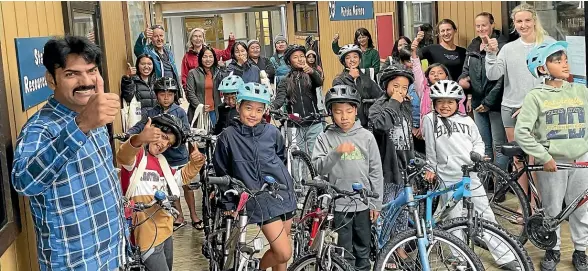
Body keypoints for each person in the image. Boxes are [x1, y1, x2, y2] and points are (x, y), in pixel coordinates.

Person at [11, 36, 125, 270]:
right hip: (74, 264)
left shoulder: (96, 115)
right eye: (71, 74)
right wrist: (80, 126)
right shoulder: (41, 127)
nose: (86, 81)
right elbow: (23, 182)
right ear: (51, 80)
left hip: (112, 255)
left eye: (91, 71)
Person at [422, 80, 518, 269]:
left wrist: (478, 155)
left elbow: (478, 142)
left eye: (450, 102)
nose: (445, 105)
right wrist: (431, 168)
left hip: (470, 176)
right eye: (440, 101)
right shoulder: (429, 120)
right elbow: (430, 149)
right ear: (434, 102)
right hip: (447, 177)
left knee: (485, 214)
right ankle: (459, 258)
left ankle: (504, 256)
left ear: (457, 102)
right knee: (454, 219)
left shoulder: (467, 120)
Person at [515, 41, 588, 271]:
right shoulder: (536, 96)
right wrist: (543, 156)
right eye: (557, 60)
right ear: (542, 68)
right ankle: (552, 249)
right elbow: (522, 132)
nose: (564, 63)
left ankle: (581, 250)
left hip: (582, 160)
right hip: (553, 162)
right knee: (552, 208)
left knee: (582, 208)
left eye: (565, 59)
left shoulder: (580, 90)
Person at [213, 82, 297, 271]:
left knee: (280, 255)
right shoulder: (228, 136)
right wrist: (228, 203)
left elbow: (281, 159)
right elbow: (222, 171)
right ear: (238, 106)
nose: (253, 114)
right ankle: (259, 268)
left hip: (282, 192)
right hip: (257, 197)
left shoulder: (272, 132)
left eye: (259, 110)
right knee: (283, 252)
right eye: (248, 108)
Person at [485, 3, 555, 209]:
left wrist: (531, 104)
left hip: (539, 108)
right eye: (519, 21)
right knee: (519, 159)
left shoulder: (548, 44)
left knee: (536, 158)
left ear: (534, 20)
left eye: (527, 20)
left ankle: (538, 204)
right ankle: (524, 203)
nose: (523, 25)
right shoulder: (508, 48)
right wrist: (491, 54)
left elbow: (553, 78)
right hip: (510, 108)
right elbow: (493, 74)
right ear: (514, 24)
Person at [117, 114, 205, 271]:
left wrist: (196, 163)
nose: (164, 144)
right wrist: (140, 138)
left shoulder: (162, 161)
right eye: (163, 137)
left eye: (169, 143)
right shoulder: (137, 158)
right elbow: (123, 155)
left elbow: (179, 178)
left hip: (165, 230)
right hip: (145, 233)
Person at [312, 85, 383, 271]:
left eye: (349, 111)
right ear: (331, 113)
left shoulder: (366, 136)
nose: (344, 117)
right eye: (338, 112)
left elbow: (375, 171)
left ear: (356, 111)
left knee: (363, 250)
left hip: (363, 204)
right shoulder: (325, 137)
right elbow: (318, 167)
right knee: (344, 251)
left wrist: (376, 203)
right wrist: (336, 153)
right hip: (339, 205)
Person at [125, 77, 192, 229]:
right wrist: (130, 133)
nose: (166, 97)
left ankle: (193, 215)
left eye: (170, 94)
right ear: (156, 95)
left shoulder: (180, 112)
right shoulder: (151, 113)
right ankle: (178, 215)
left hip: (179, 155)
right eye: (162, 94)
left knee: (187, 185)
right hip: (163, 158)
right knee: (169, 187)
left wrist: (184, 135)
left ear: (175, 95)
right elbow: (139, 126)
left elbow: (186, 129)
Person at [458, 12, 509, 174]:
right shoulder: (473, 45)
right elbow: (465, 70)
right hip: (477, 103)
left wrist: (488, 102)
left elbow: (502, 78)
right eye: (478, 26)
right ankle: (487, 183)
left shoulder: (502, 45)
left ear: (492, 24)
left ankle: (500, 184)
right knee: (484, 145)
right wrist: (462, 80)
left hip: (495, 103)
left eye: (484, 25)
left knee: (499, 146)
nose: (481, 29)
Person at [270, 45, 324, 159]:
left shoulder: (310, 76)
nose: (300, 59)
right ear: (289, 61)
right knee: (298, 158)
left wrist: (312, 72)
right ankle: (299, 177)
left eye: (302, 56)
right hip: (294, 124)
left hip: (313, 121)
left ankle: (316, 177)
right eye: (295, 57)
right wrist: (272, 107)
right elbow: (279, 99)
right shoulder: (285, 80)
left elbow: (319, 82)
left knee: (316, 156)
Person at [410, 31, 466, 132]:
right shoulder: (424, 89)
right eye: (432, 73)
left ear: (446, 75)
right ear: (427, 77)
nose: (436, 75)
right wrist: (414, 52)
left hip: (451, 131)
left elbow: (461, 112)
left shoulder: (454, 90)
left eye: (440, 73)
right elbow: (417, 71)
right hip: (428, 130)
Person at [332, 44, 382, 129]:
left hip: (365, 125)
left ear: (359, 59)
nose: (352, 60)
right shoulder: (339, 80)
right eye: (348, 58)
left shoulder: (366, 78)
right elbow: (341, 100)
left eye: (355, 57)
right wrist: (350, 78)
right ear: (344, 62)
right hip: (347, 126)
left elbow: (380, 95)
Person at [134, 25, 182, 100]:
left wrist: (178, 93)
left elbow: (174, 72)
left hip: (171, 91)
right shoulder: (147, 51)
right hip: (158, 92)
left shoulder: (168, 51)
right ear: (151, 38)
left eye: (161, 36)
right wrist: (143, 36)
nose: (159, 39)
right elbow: (138, 50)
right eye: (156, 36)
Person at [185, 46, 225, 128]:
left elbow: (225, 84)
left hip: (215, 111)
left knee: (215, 135)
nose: (208, 59)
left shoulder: (217, 72)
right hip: (199, 111)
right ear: (200, 58)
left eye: (211, 56)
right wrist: (200, 106)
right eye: (205, 56)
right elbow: (190, 93)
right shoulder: (192, 73)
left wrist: (223, 68)